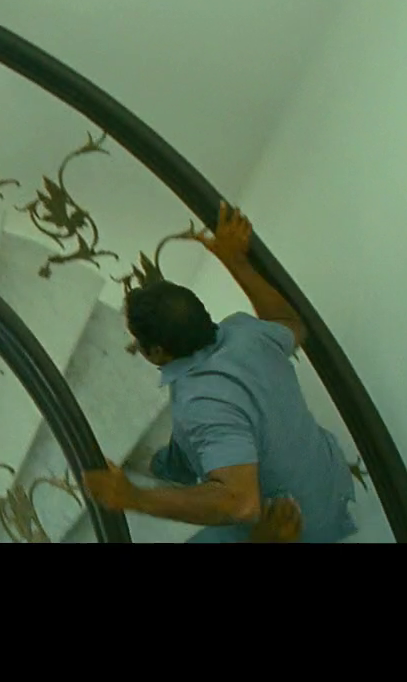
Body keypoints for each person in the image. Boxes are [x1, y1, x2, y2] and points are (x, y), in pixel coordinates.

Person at [83, 203, 359, 543]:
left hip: (295, 526)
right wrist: (236, 261)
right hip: (325, 482)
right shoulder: (246, 332)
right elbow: (291, 324)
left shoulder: (202, 405)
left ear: (156, 352)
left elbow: (240, 504)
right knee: (185, 452)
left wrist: (135, 497)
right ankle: (172, 466)